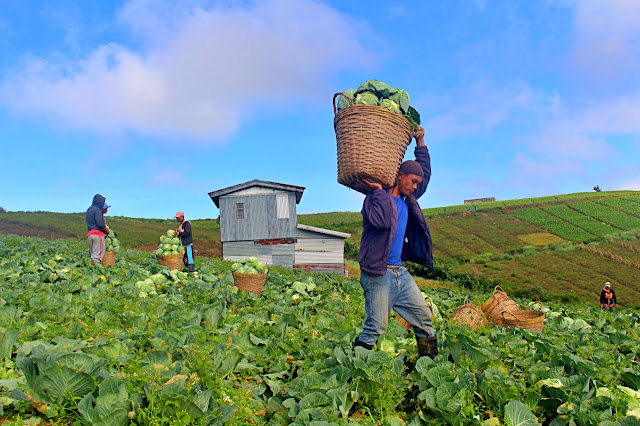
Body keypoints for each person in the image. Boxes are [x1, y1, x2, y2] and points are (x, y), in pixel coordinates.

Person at [353, 127, 438, 359]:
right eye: (412, 181)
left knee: (424, 320)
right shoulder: (373, 199)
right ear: (399, 176)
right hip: (378, 274)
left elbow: (425, 173)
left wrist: (420, 141)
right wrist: (380, 192)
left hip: (400, 273)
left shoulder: (408, 198)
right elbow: (380, 221)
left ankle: (429, 369)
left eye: (417, 184)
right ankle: (355, 370)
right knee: (376, 327)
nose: (415, 187)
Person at [86, 194, 109, 265]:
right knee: (97, 256)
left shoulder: (89, 209)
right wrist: (106, 230)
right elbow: (100, 223)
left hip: (90, 234)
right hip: (98, 235)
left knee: (93, 254)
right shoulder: (97, 210)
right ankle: (95, 270)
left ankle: (91, 270)